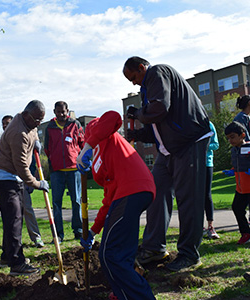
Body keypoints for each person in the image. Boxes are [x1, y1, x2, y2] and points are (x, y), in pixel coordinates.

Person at [124, 56, 211, 272]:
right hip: (169, 150)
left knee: (187, 199)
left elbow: (160, 109)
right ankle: (154, 248)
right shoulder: (148, 86)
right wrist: (138, 133)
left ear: (142, 68)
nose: (134, 83)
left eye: (134, 77)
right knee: (156, 192)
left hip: (189, 143)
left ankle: (189, 255)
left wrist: (138, 114)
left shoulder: (157, 73)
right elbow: (161, 125)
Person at [77, 111, 156, 300]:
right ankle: (123, 294)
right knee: (121, 255)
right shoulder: (95, 159)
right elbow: (108, 200)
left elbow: (113, 117)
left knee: (110, 254)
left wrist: (88, 145)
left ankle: (140, 296)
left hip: (133, 188)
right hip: (126, 195)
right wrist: (93, 232)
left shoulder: (100, 132)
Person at [0, 100, 48, 276]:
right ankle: (17, 263)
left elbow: (34, 132)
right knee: (14, 218)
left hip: (12, 176)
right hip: (4, 176)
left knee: (14, 217)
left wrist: (36, 140)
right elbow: (22, 168)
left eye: (41, 120)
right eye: (36, 119)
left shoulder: (28, 123)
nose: (38, 123)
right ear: (26, 114)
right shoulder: (18, 132)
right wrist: (38, 184)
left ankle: (7, 256)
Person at [0, 114, 44, 249]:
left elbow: (31, 162)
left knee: (27, 209)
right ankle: (12, 247)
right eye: (3, 124)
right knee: (12, 216)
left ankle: (36, 237)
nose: (5, 126)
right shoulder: (2, 142)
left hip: (23, 179)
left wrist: (36, 140)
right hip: (11, 181)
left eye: (7, 123)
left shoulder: (24, 132)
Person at [44, 101, 84, 242]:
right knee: (56, 203)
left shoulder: (76, 124)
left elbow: (82, 143)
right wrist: (53, 161)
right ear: (54, 111)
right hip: (57, 171)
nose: (61, 114)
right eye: (58, 112)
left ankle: (78, 231)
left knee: (76, 201)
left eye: (64, 112)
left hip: (74, 169)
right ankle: (59, 234)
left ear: (68, 111)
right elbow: (47, 148)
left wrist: (80, 160)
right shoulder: (49, 127)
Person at [223, 121, 250, 244]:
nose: (230, 140)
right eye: (228, 138)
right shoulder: (234, 151)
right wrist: (232, 171)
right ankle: (245, 233)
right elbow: (237, 165)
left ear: (242, 135)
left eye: (232, 137)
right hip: (241, 188)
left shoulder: (249, 148)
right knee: (237, 208)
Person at [204, 121, 220, 239]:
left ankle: (210, 226)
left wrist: (201, 146)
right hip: (191, 165)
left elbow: (215, 144)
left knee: (206, 195)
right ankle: (198, 226)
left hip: (207, 164)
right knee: (194, 196)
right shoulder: (189, 123)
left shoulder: (209, 124)